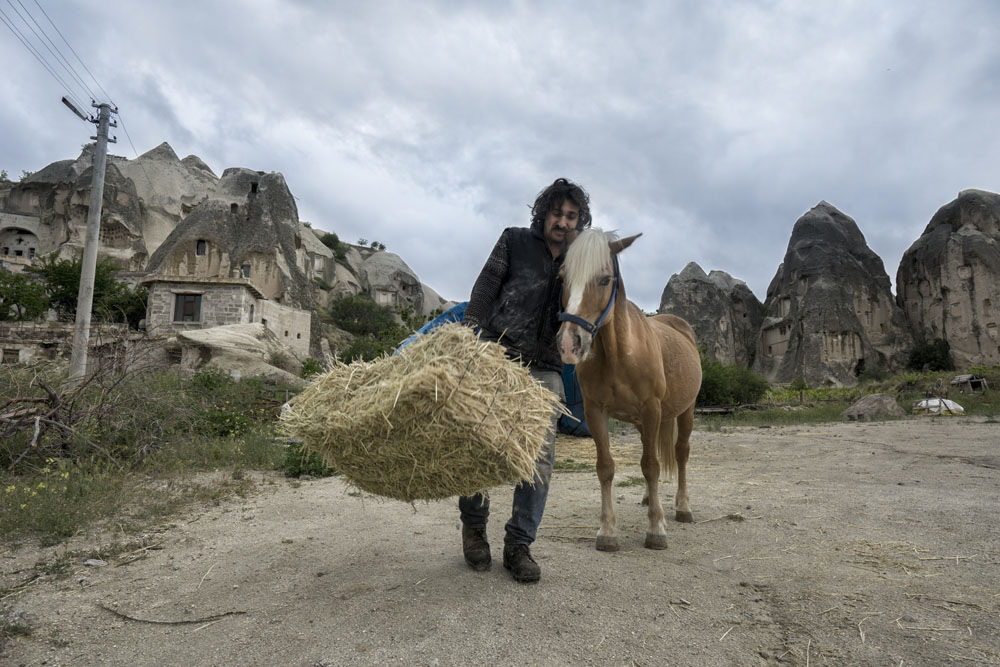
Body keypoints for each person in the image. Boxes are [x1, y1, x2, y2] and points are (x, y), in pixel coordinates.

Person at [459, 177, 592, 583]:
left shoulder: (581, 257)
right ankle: (475, 528)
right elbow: (486, 286)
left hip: (547, 366)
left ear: (579, 221)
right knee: (479, 444)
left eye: (572, 216)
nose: (563, 222)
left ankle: (519, 544)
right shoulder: (514, 240)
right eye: (557, 213)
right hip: (498, 355)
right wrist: (468, 331)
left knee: (540, 458)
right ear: (543, 213)